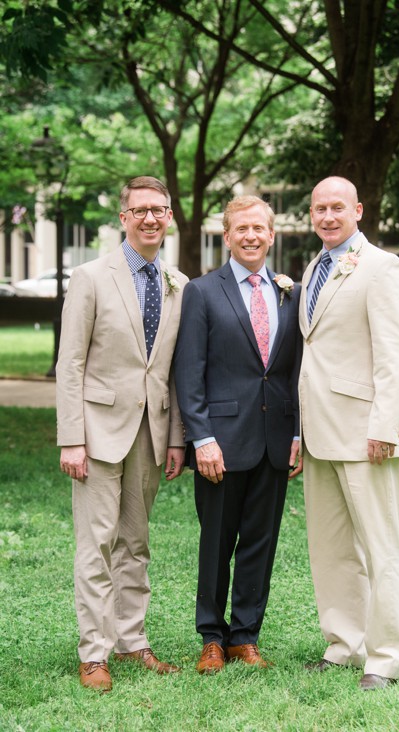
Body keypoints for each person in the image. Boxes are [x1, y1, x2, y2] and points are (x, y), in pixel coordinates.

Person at [56, 176, 187, 692]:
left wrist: (176, 437)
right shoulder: (90, 277)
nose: (150, 218)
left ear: (169, 216)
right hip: (96, 430)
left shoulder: (179, 283)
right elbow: (70, 363)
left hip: (150, 433)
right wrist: (72, 437)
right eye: (141, 210)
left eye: (159, 209)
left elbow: (174, 370)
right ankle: (95, 652)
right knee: (97, 544)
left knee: (136, 543)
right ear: (123, 217)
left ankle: (133, 641)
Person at [174, 195, 302, 674]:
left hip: (275, 438)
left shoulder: (291, 291)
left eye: (259, 228)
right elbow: (190, 371)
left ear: (272, 235)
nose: (251, 236)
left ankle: (244, 635)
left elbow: (293, 372)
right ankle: (211, 635)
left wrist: (297, 434)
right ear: (226, 237)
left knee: (260, 542)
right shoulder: (204, 292)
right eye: (241, 228)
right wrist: (200, 438)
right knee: (217, 541)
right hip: (221, 444)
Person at [298, 176, 399, 691]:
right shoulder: (312, 268)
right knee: (330, 548)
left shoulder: (382, 267)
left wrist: (384, 426)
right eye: (320, 208)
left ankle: (384, 658)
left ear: (358, 211)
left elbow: (396, 353)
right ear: (310, 214)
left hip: (367, 432)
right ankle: (343, 644)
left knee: (379, 548)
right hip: (319, 430)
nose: (328, 216)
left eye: (337, 208)